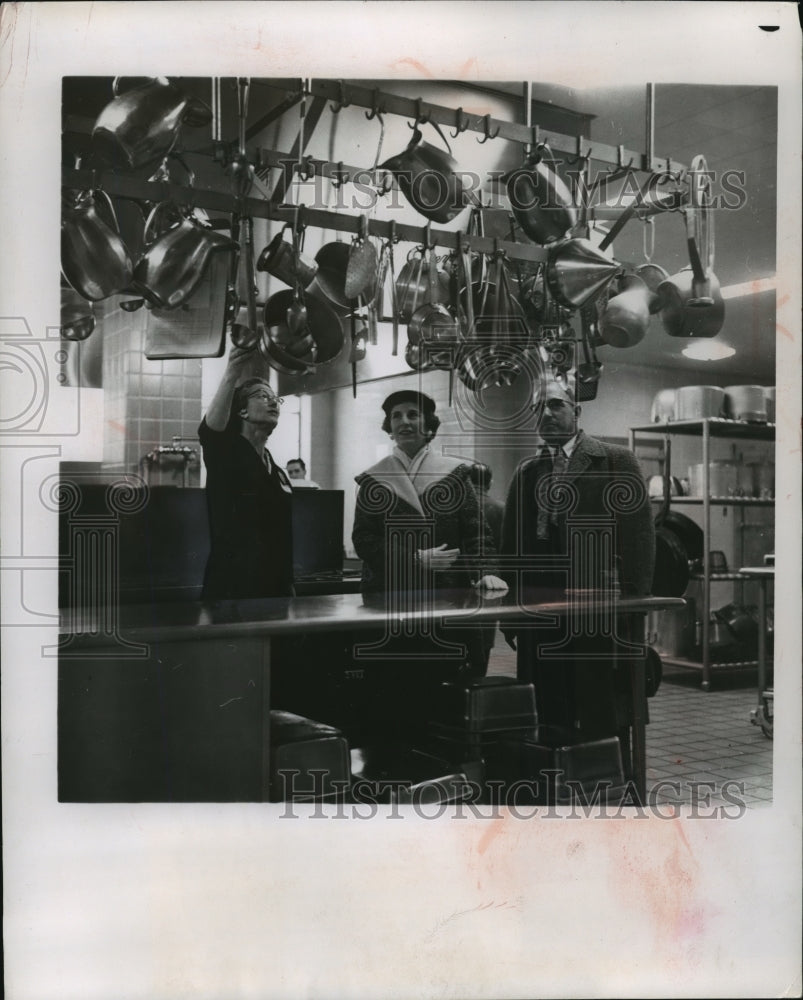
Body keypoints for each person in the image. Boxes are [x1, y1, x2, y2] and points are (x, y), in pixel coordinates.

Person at [500, 374, 655, 746]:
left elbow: (639, 539)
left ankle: (612, 788)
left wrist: (635, 605)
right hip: (541, 609)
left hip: (597, 604)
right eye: (539, 407)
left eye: (556, 404)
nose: (547, 413)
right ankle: (557, 783)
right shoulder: (527, 471)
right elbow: (510, 547)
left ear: (577, 411)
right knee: (549, 705)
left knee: (601, 704)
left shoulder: (614, 461)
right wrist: (510, 614)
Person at [197, 344, 294, 601]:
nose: (273, 401)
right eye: (262, 396)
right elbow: (210, 431)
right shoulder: (227, 452)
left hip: (275, 585)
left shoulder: (277, 471)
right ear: (241, 410)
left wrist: (288, 582)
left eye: (275, 397)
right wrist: (232, 371)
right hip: (233, 585)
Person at [469, 462, 507, 670]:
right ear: (490, 482)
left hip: (462, 582)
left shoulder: (457, 507)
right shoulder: (501, 509)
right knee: (484, 637)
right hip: (492, 582)